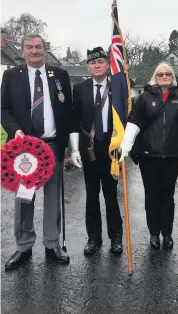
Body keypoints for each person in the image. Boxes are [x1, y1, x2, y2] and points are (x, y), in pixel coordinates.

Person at [1, 33, 73, 270]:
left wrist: (70, 147)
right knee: (25, 198)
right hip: (25, 149)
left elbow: (66, 112)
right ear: (22, 51)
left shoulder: (60, 75)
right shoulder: (11, 76)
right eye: (29, 47)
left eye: (38, 47)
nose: (34, 51)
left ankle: (52, 245)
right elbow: (4, 110)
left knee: (53, 197)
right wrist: (16, 131)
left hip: (52, 145)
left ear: (45, 49)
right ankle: (23, 247)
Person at [119, 62, 178, 249]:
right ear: (155, 77)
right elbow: (135, 120)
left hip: (171, 156)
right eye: (160, 74)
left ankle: (167, 233)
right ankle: (154, 233)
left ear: (172, 77)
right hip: (149, 157)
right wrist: (127, 143)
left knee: (168, 196)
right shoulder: (144, 98)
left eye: (167, 74)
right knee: (152, 196)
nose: (164, 77)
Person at [70, 47, 123, 256]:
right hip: (89, 148)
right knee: (92, 194)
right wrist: (74, 148)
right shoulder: (80, 88)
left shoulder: (117, 88)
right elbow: (74, 119)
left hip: (111, 149)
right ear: (88, 66)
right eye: (92, 63)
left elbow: (125, 117)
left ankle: (116, 236)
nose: (96, 66)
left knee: (111, 194)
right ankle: (93, 237)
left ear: (108, 65)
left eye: (100, 62)